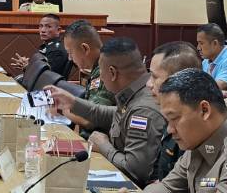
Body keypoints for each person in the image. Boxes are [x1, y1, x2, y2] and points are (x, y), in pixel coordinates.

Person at [51, 38, 167, 185]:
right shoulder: (135, 92)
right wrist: (73, 102)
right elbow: (111, 113)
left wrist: (104, 146)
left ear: (112, 73)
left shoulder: (143, 109)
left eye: (101, 73)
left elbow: (134, 171)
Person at [145, 41, 202, 184]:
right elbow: (162, 177)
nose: (148, 84)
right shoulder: (170, 113)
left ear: (177, 80)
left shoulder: (195, 126)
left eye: (155, 77)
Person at [60, 19, 115, 121]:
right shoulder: (101, 64)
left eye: (70, 53)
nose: (69, 58)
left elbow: (93, 119)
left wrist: (64, 110)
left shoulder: (105, 71)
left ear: (85, 49)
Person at [8, 12, 68, 78]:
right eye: (41, 26)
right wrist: (28, 64)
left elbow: (47, 76)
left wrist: (27, 68)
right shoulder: (46, 46)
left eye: (48, 27)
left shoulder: (57, 51)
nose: (43, 30)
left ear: (58, 30)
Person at [196, 23, 227, 95]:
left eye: (201, 43)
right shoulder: (206, 61)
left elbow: (214, 88)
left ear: (215, 43)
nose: (198, 48)